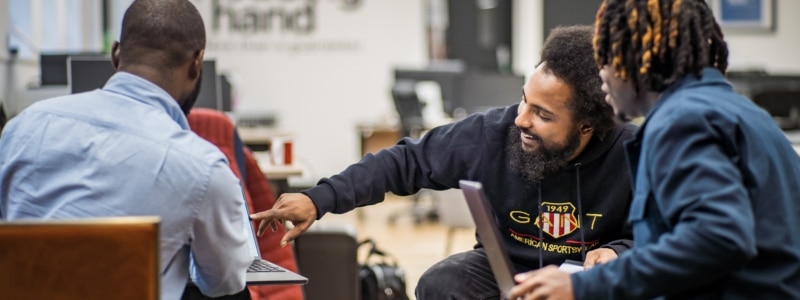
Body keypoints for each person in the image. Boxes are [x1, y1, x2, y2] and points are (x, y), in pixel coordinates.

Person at [251, 25, 638, 299]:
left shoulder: (636, 153)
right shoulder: (491, 133)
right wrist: (318, 199)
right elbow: (405, 161)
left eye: (542, 114)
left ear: (587, 125)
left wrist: (619, 252)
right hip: (507, 271)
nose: (521, 119)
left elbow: (666, 235)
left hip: (587, 284)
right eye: (524, 100)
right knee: (442, 283)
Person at [509, 1, 800, 299]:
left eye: (605, 59)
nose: (601, 79)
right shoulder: (739, 113)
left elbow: (718, 238)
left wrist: (581, 286)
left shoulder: (683, 120)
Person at [0, 1, 253, 299]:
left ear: (116, 53)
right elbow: (225, 282)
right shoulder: (204, 168)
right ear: (197, 63)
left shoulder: (23, 127)